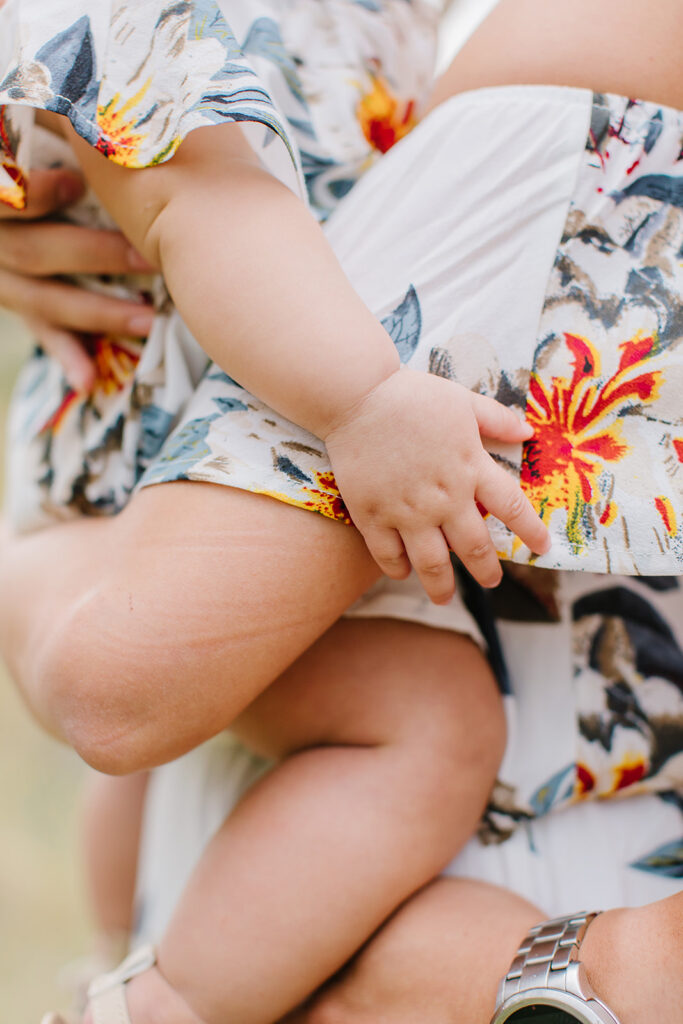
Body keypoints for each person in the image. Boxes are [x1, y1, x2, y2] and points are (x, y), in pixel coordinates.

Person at [1, 1, 681, 1022]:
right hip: (207, 464)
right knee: (429, 722)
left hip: (200, 462)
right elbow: (199, 205)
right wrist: (363, 401)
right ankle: (157, 998)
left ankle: (123, 956)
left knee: (189, 775)